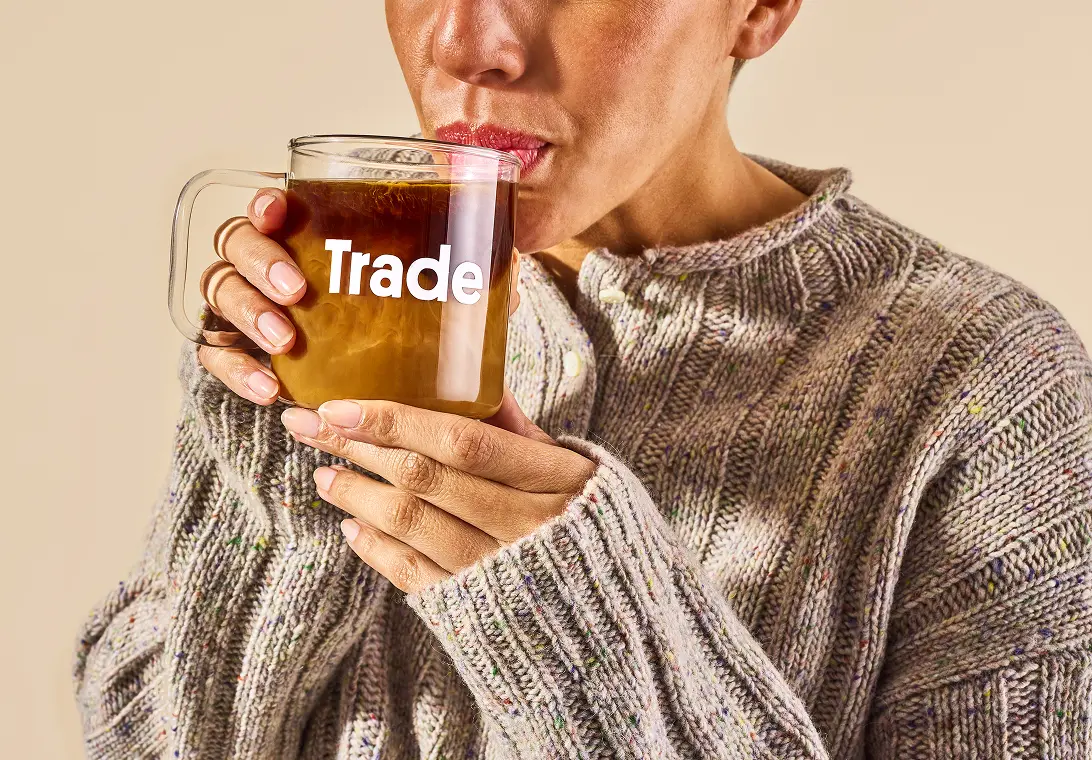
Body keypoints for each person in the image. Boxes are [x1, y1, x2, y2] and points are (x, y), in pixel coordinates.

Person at [74, 1, 1092, 758]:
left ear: (760, 9)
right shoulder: (345, 305)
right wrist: (274, 491)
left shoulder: (987, 391)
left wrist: (589, 631)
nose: (465, 42)